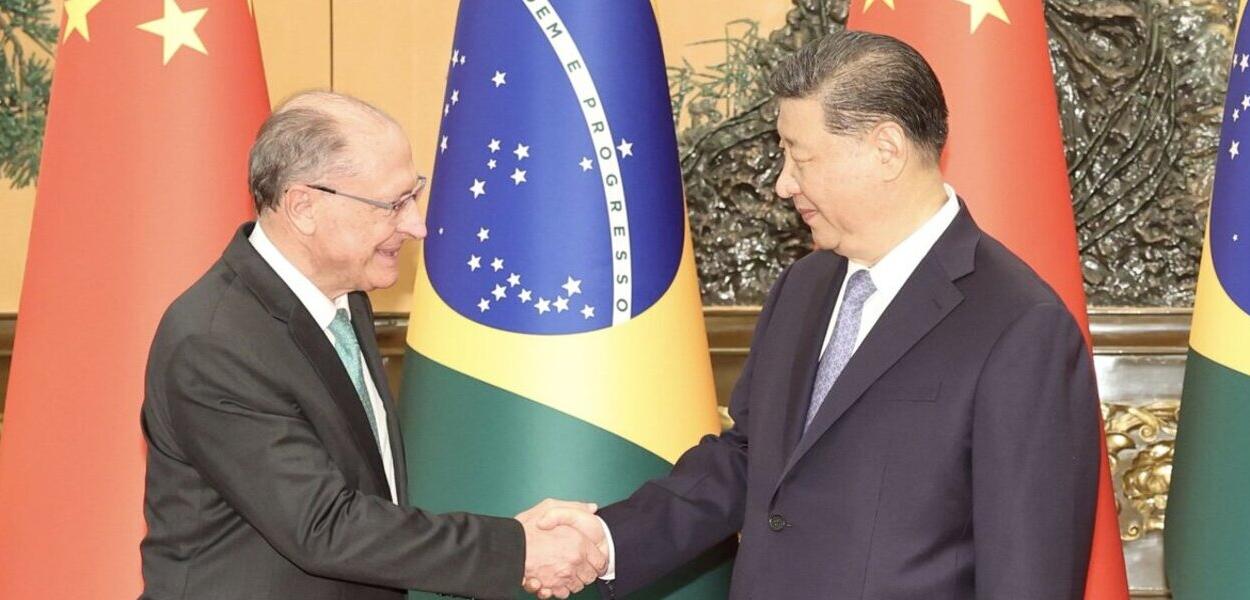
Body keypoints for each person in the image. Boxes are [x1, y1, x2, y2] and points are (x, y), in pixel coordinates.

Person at [531, 30, 1101, 599]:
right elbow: (751, 458)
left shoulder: (1020, 325)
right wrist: (610, 540)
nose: (784, 184)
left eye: (799, 156)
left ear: (886, 149)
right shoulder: (803, 287)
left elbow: (1029, 574)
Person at [139, 90, 604, 600]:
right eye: (393, 204)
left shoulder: (345, 297)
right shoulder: (215, 343)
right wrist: (516, 550)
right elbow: (324, 527)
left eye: (414, 194)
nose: (416, 225)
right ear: (303, 207)